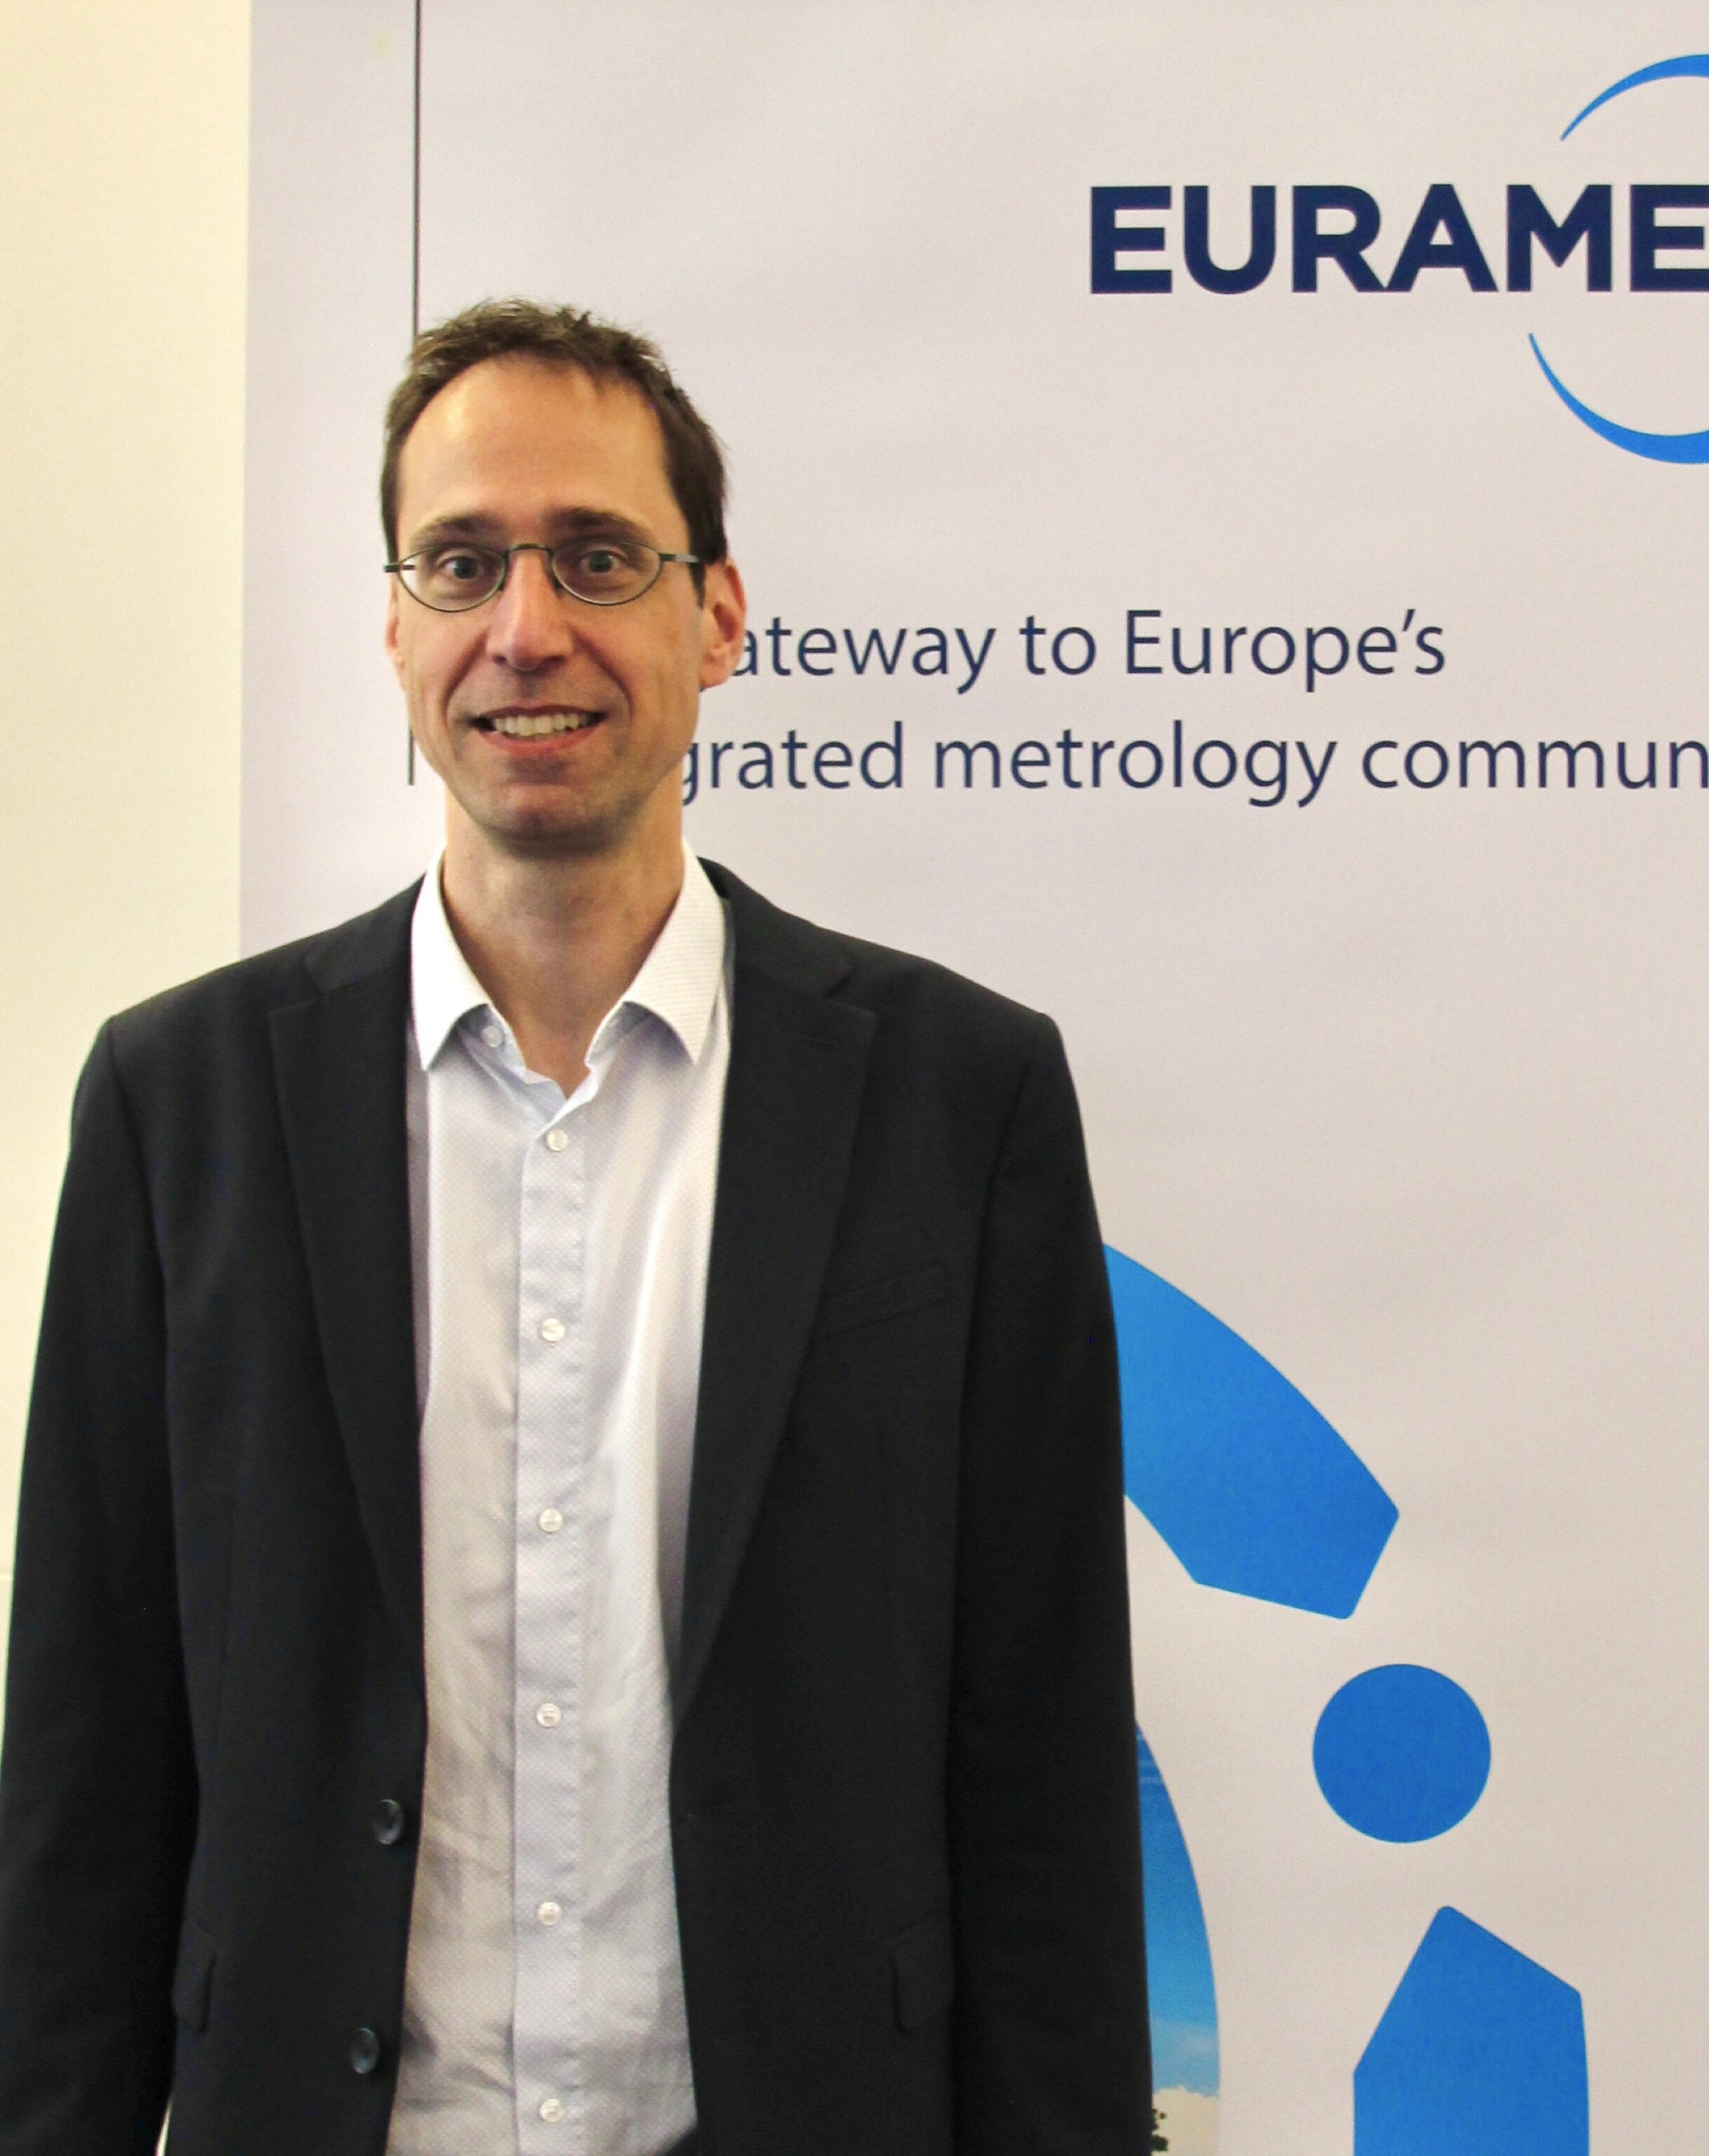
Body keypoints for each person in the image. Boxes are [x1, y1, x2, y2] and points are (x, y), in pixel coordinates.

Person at [0, 300, 1150, 2156]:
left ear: (719, 617)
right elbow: (87, 1753)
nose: (524, 628)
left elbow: (1042, 1761)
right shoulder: (177, 1106)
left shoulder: (959, 1099)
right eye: (461, 564)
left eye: (598, 558)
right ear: (395, 630)